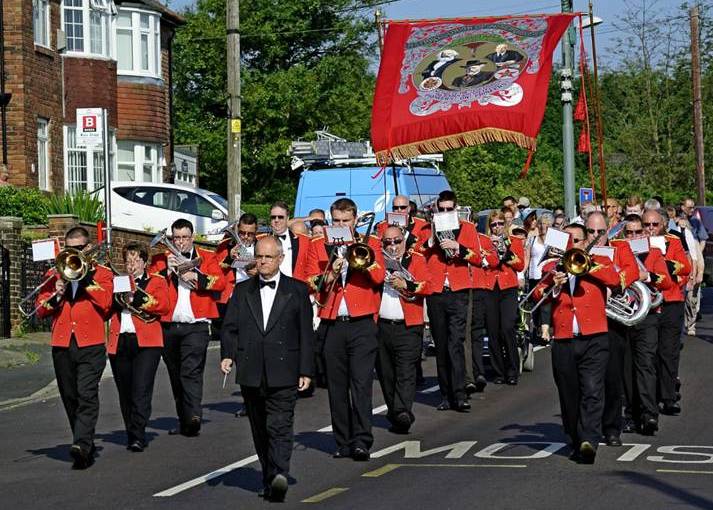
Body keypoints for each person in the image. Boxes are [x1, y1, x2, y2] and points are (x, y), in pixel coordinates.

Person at [220, 236, 314, 502]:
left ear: (280, 259)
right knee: (260, 428)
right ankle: (268, 476)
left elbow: (306, 334)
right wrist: (227, 355)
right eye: (259, 256)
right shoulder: (242, 291)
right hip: (251, 371)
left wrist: (306, 370)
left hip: (284, 370)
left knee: (280, 425)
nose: (262, 261)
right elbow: (230, 328)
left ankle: (279, 474)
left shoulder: (297, 290)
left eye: (268, 257)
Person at [304, 198, 385, 460]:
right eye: (336, 221)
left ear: (355, 220)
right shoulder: (319, 244)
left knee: (360, 384)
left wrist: (357, 254)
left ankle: (362, 440)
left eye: (345, 221)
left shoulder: (369, 243)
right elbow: (306, 281)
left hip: (361, 322)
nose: (340, 225)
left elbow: (379, 277)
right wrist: (328, 274)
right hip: (331, 323)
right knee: (337, 387)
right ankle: (343, 440)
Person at [532, 223, 620, 464]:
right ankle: (574, 437)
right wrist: (553, 283)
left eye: (578, 240)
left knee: (592, 390)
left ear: (585, 242)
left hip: (595, 337)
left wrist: (587, 267)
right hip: (564, 339)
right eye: (569, 240)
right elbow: (537, 294)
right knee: (569, 393)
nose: (573, 244)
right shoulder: (552, 267)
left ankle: (589, 441)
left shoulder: (600, 261)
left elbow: (615, 280)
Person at [35, 227, 113, 469]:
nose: (75, 254)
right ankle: (83, 443)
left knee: (86, 393)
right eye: (70, 250)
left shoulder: (102, 274)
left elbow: (107, 303)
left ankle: (81, 443)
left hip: (90, 343)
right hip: (62, 343)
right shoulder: (55, 273)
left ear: (88, 248)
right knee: (70, 396)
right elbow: (40, 309)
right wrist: (56, 294)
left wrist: (85, 279)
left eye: (79, 249)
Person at [149, 218, 225, 437]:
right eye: (176, 238)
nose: (180, 242)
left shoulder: (207, 257)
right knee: (175, 374)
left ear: (192, 238)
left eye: (184, 237)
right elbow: (152, 288)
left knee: (190, 371)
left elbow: (219, 283)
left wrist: (196, 277)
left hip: (196, 325)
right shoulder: (160, 261)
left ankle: (194, 416)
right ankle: (184, 419)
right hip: (169, 325)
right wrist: (168, 274)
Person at [425, 191, 491, 411]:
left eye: (448, 209)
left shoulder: (468, 228)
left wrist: (459, 249)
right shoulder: (428, 228)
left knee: (456, 343)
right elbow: (416, 254)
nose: (445, 212)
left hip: (459, 291)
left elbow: (478, 258)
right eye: (441, 209)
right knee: (441, 344)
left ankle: (460, 392)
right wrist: (431, 241)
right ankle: (446, 394)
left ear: (455, 208)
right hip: (436, 292)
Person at [107, 242, 169, 452]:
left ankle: (138, 435)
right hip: (121, 340)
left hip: (147, 342)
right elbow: (107, 308)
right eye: (128, 260)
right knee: (125, 392)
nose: (132, 264)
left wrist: (137, 294)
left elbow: (162, 305)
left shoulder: (156, 281)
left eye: (136, 260)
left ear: (144, 262)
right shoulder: (118, 281)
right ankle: (131, 430)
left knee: (141, 389)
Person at [584, 212, 639, 447]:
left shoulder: (620, 248)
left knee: (612, 377)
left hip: (613, 322)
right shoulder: (580, 250)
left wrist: (614, 283)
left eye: (600, 232)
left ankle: (612, 427)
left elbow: (631, 271)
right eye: (591, 232)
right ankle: (588, 428)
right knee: (588, 381)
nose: (596, 237)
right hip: (586, 322)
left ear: (609, 231)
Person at [621, 215, 673, 436]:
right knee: (626, 369)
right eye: (629, 233)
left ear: (644, 232)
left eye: (637, 232)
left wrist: (647, 275)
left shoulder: (654, 252)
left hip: (648, 315)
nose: (633, 236)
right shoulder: (618, 252)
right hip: (622, 316)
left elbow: (667, 281)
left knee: (645, 364)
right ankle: (631, 414)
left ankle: (649, 414)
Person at [377, 226, 432, 433]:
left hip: (408, 326)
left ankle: (402, 411)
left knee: (406, 371)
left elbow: (428, 285)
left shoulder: (416, 259)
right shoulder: (377, 262)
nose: (392, 246)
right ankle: (395, 412)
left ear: (404, 240)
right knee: (386, 373)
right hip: (381, 325)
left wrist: (406, 283)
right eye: (387, 242)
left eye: (397, 241)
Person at [641, 209, 690, 416]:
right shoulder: (637, 242)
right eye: (647, 225)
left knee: (668, 351)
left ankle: (669, 397)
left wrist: (664, 266)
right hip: (646, 303)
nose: (650, 229)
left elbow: (685, 268)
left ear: (663, 225)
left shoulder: (674, 241)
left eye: (655, 224)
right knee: (647, 354)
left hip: (670, 301)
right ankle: (649, 398)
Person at [480, 210, 525, 385]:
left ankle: (512, 369)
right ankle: (498, 371)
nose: (497, 227)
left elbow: (520, 265)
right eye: (493, 225)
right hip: (490, 287)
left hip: (508, 287)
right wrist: (492, 249)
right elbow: (485, 262)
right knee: (493, 331)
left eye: (500, 224)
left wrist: (505, 252)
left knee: (507, 328)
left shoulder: (514, 241)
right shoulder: (485, 242)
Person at [524, 212, 554, 343]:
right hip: (533, 276)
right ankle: (536, 329)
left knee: (545, 305)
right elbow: (527, 258)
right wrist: (521, 274)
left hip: (547, 276)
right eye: (541, 224)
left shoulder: (554, 241)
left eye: (546, 224)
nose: (543, 227)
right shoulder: (532, 239)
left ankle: (545, 331)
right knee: (534, 306)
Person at [269, 201, 310, 281]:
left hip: (295, 289)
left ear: (287, 218)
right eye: (273, 217)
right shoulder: (262, 240)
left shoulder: (304, 241)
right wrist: (239, 252)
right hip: (270, 289)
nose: (276, 220)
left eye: (280, 217)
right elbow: (247, 255)